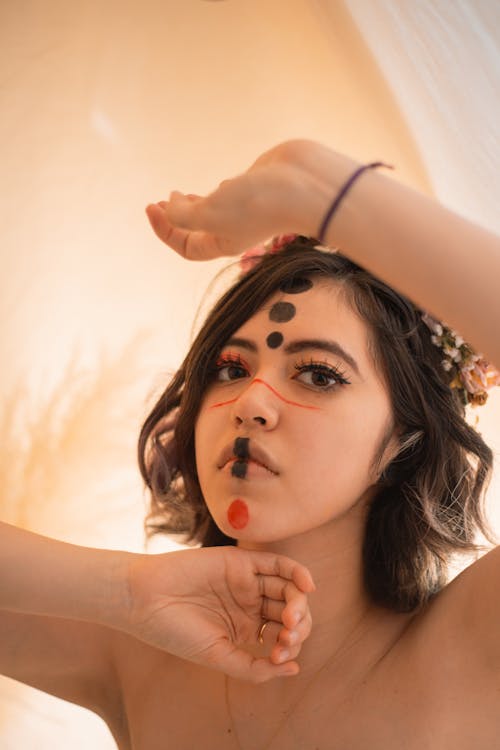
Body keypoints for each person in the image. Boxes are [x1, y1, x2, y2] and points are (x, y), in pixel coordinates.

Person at [1, 138, 500, 749]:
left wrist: (323, 192)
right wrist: (124, 591)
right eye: (232, 368)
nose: (252, 403)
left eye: (318, 374)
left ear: (402, 440)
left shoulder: (473, 645)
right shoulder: (134, 649)